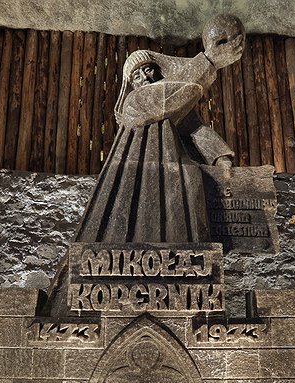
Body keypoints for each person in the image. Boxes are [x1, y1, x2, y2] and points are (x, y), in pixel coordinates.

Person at [73, 36, 244, 244]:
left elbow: (195, 128)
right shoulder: (134, 102)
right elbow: (167, 97)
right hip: (138, 171)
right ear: (131, 84)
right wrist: (208, 61)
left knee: (192, 177)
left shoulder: (171, 101)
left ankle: (191, 252)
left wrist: (220, 156)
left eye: (148, 69)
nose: (144, 76)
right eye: (136, 75)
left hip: (172, 161)